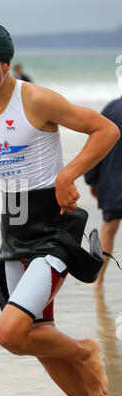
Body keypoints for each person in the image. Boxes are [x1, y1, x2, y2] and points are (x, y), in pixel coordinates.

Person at [0, 22, 120, 396]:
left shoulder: (38, 100)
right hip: (15, 230)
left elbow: (106, 130)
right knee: (39, 343)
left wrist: (68, 175)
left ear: (5, 64)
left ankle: (85, 350)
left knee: (10, 333)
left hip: (54, 230)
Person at [84, 96, 122, 291]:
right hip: (114, 181)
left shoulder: (113, 108)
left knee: (108, 229)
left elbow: (96, 142)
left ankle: (98, 283)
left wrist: (92, 178)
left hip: (114, 182)